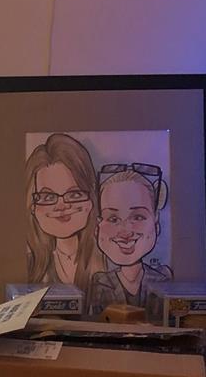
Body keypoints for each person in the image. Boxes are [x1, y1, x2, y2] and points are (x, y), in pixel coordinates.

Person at [25, 133, 106, 299]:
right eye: (48, 197)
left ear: (91, 199)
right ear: (33, 207)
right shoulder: (30, 265)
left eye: (74, 194)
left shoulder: (110, 260)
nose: (62, 206)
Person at [89, 164, 173, 316]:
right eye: (113, 219)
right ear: (97, 227)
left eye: (138, 217)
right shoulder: (100, 282)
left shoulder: (162, 279)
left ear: (156, 223)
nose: (125, 231)